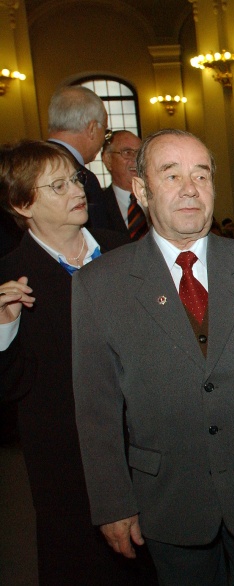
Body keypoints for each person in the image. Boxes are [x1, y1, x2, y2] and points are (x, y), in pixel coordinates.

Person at [71, 129, 234, 586]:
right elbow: (96, 410)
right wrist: (113, 502)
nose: (190, 188)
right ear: (142, 189)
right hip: (169, 497)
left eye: (201, 175)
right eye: (171, 175)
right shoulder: (100, 286)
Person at [0, 140, 153, 584]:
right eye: (58, 185)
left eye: (76, 179)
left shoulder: (122, 250)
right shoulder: (10, 277)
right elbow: (10, 390)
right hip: (66, 463)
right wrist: (5, 330)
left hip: (142, 446)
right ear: (21, 203)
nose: (77, 190)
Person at [47, 85, 113, 230]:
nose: (104, 139)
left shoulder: (26, 167)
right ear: (92, 129)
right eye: (105, 131)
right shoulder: (82, 179)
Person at [100, 130, 148, 240]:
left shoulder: (159, 198)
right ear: (108, 160)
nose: (136, 160)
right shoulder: (97, 206)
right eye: (127, 152)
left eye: (140, 154)